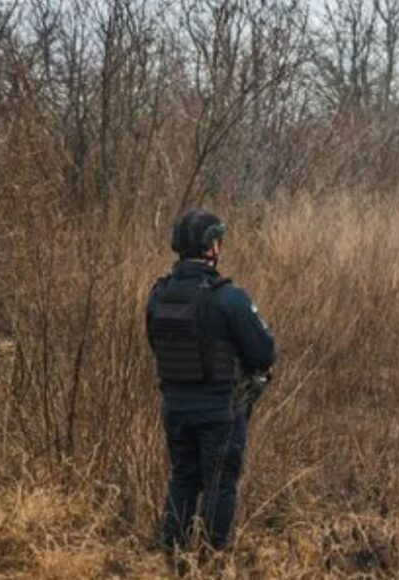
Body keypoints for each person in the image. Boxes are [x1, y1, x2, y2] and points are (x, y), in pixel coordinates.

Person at [146, 209, 276, 553]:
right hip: (219, 410)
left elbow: (154, 344)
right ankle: (211, 559)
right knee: (220, 485)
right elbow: (264, 352)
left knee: (183, 479)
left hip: (174, 407)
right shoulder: (228, 297)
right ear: (211, 247)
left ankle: (172, 557)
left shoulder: (158, 295)